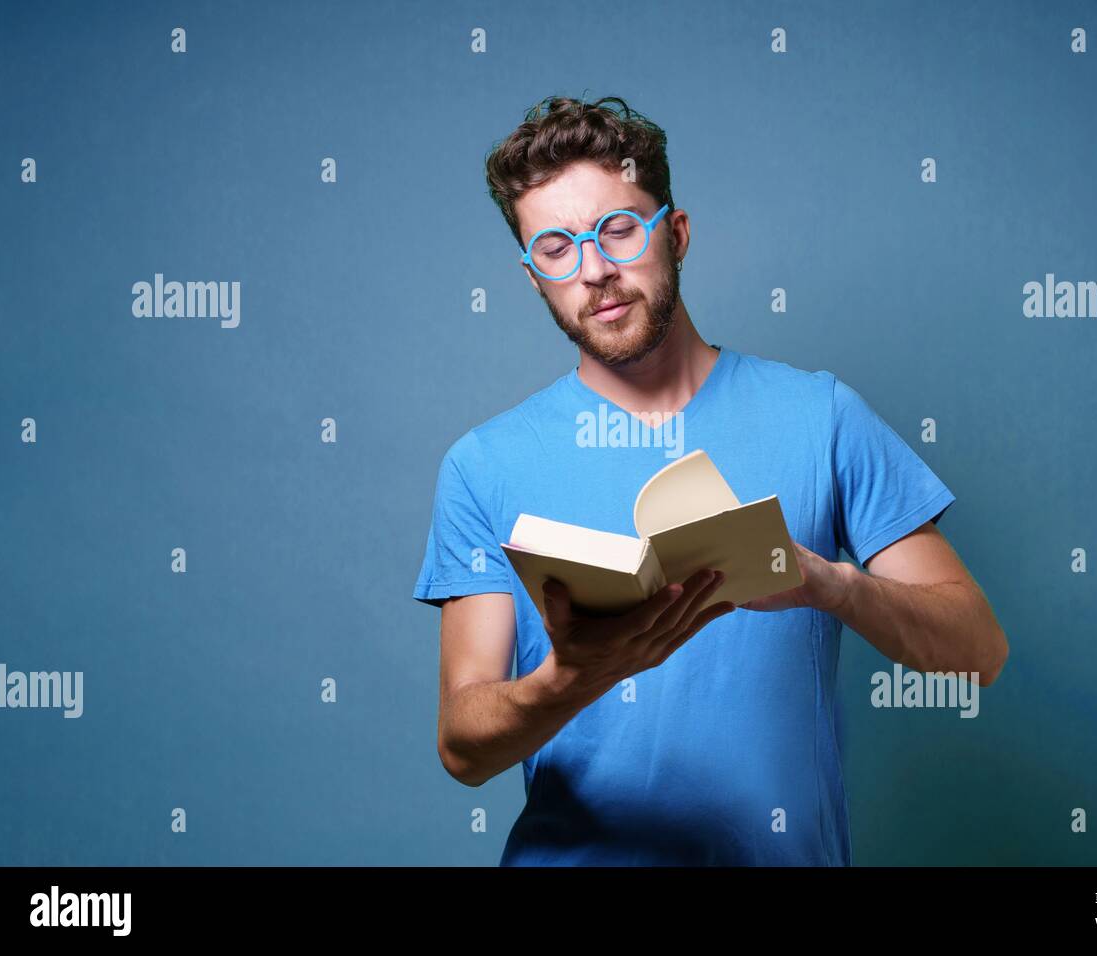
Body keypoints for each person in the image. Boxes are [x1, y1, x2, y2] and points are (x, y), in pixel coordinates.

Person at [413, 95, 1008, 865]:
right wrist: (570, 679)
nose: (594, 270)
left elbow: (980, 654)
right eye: (557, 249)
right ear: (533, 277)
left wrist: (832, 586)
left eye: (618, 229)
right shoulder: (482, 466)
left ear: (677, 234)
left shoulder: (820, 417)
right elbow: (463, 747)